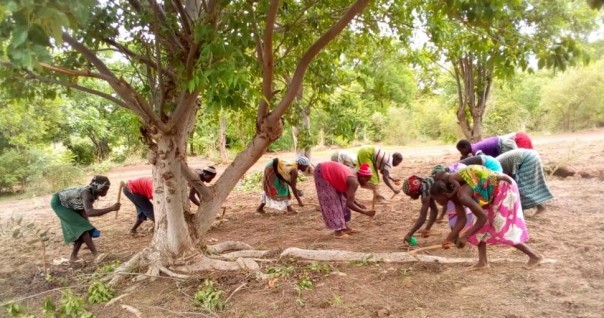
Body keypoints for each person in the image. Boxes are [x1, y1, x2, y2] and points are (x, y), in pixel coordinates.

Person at [429, 165, 543, 269]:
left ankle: (534, 256)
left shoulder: (462, 195)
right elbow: (461, 218)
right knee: (478, 228)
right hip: (491, 191)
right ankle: (482, 262)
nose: (437, 203)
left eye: (437, 199)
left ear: (443, 194)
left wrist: (465, 236)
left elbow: (483, 218)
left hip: (503, 187)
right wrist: (449, 239)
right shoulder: (454, 196)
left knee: (501, 227)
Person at [50, 175, 120, 263]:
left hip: (72, 204)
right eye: (104, 189)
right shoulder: (86, 193)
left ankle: (73, 257)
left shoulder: (92, 193)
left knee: (83, 228)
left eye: (107, 189)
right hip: (60, 204)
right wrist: (111, 208)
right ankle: (96, 255)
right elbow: (90, 212)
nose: (106, 192)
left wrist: (86, 225)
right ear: (97, 187)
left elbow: (85, 211)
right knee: (83, 229)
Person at [314, 162, 376, 238]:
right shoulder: (354, 182)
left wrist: (357, 204)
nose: (366, 182)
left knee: (342, 200)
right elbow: (349, 204)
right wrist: (365, 212)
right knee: (332, 201)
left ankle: (344, 228)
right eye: (366, 179)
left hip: (329, 172)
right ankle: (338, 231)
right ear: (361, 176)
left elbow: (346, 194)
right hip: (322, 172)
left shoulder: (354, 177)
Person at [497, 149, 553, 213]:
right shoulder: (493, 162)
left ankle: (520, 212)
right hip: (532, 155)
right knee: (528, 186)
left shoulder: (491, 168)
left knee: (521, 188)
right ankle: (539, 207)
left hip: (526, 158)